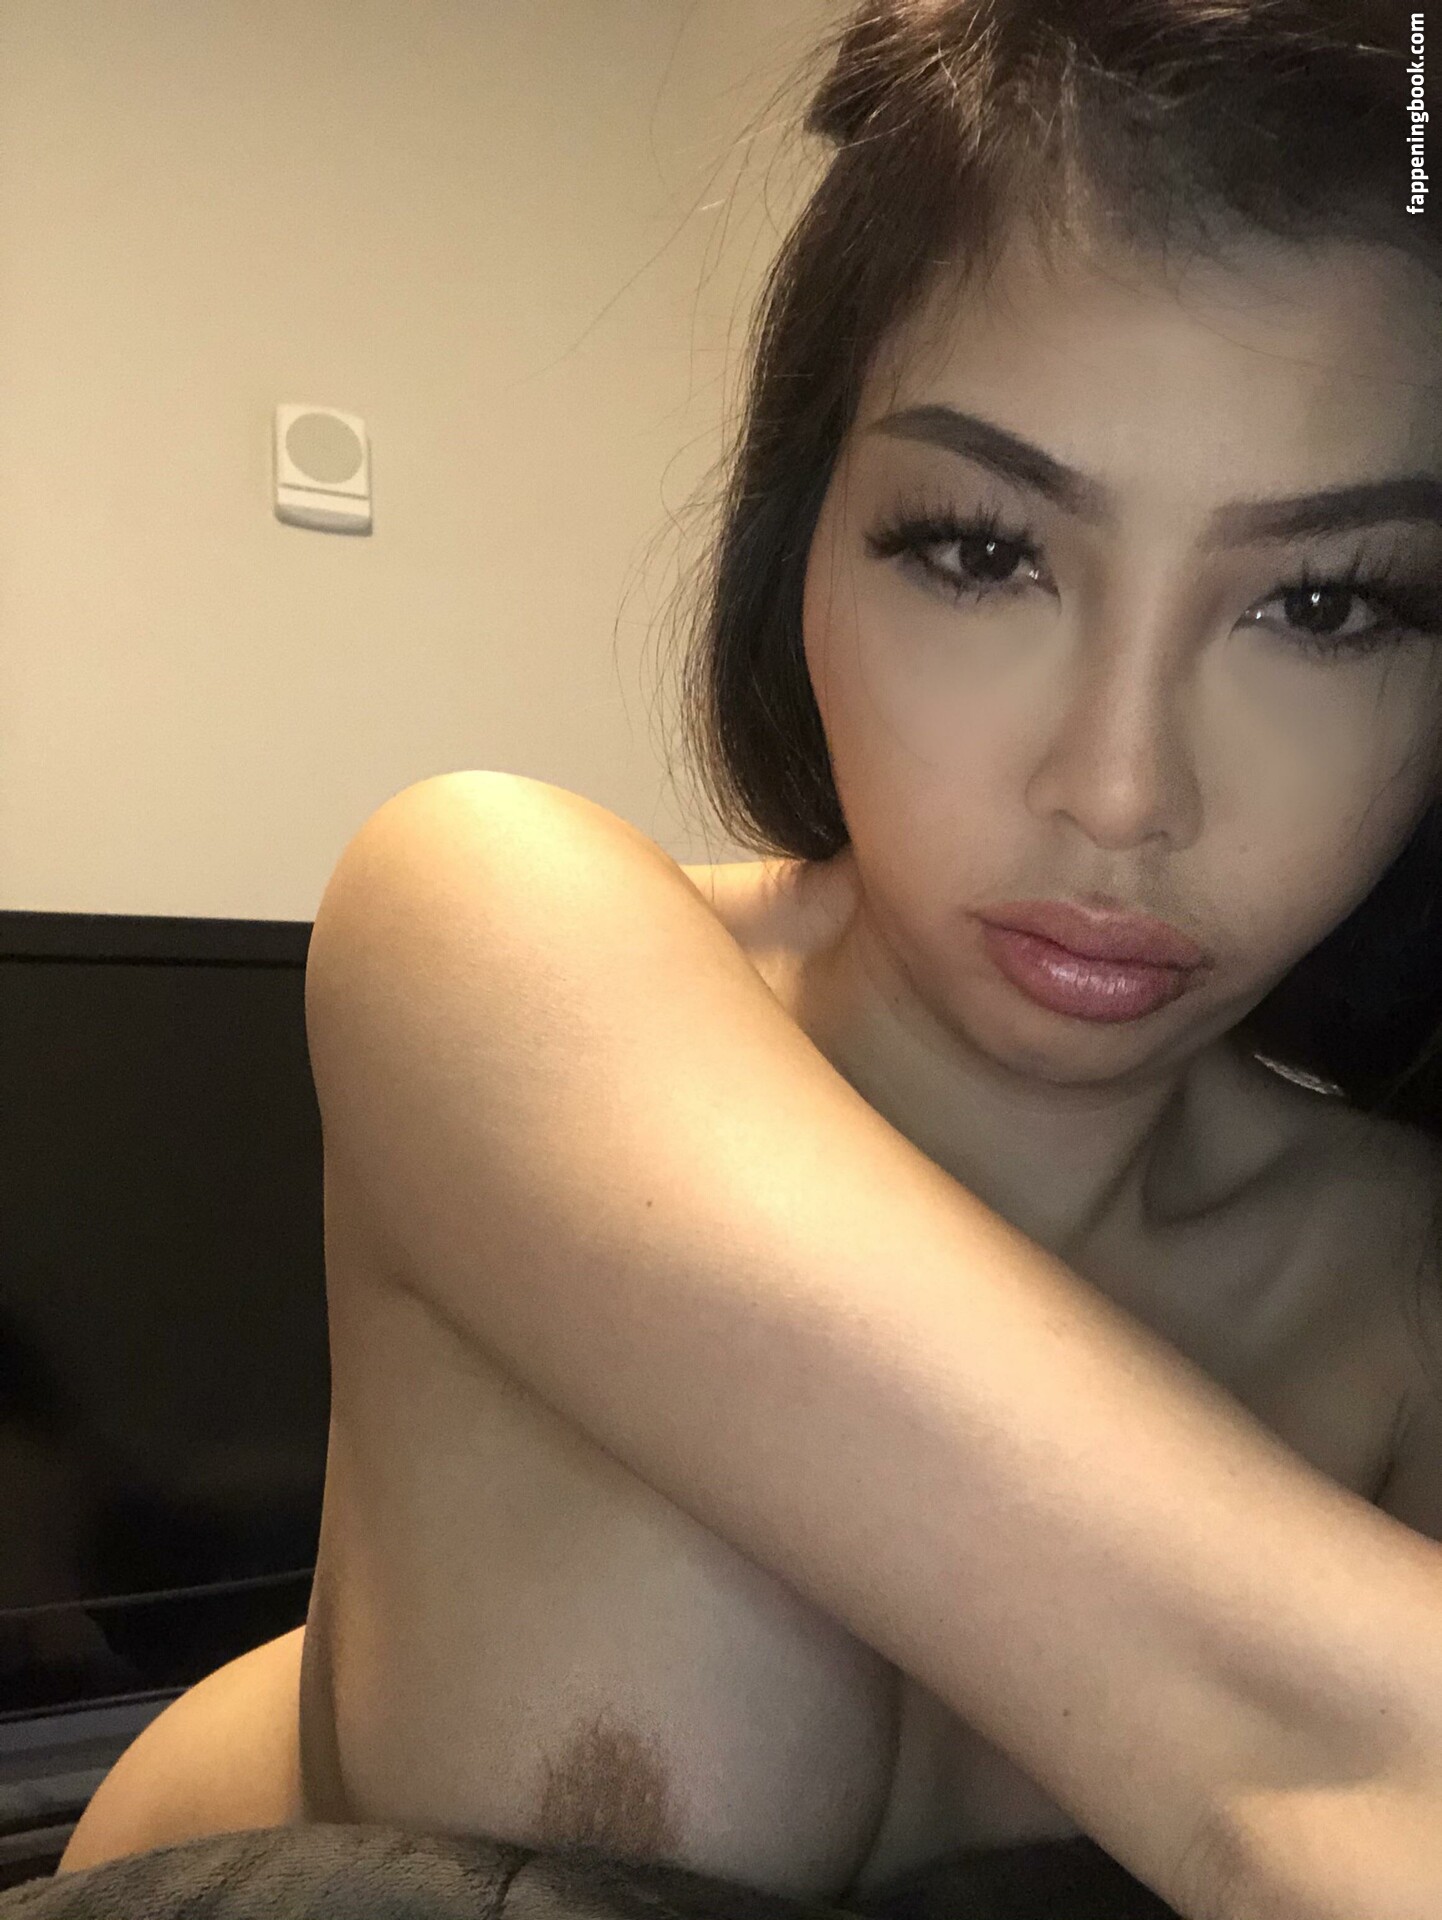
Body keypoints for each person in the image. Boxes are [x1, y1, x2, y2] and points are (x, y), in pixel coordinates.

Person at [58, 2, 1442, 1916]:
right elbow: (1322, 1748)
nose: (1121, 790)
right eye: (981, 551)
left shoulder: (1393, 1282)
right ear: (798, 550)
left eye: (1325, 602)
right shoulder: (494, 923)